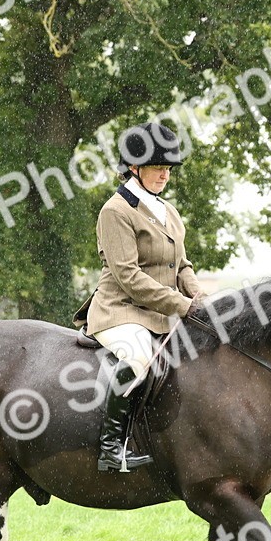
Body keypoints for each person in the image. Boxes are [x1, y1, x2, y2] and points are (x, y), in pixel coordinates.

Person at [72, 122, 205, 473]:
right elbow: (129, 278)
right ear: (134, 168)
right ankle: (111, 447)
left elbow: (182, 266)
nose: (164, 175)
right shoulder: (115, 212)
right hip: (120, 311)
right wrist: (183, 305)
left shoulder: (168, 212)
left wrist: (202, 297)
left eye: (168, 168)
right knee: (138, 361)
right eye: (157, 167)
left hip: (160, 312)